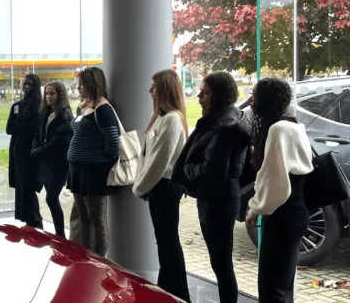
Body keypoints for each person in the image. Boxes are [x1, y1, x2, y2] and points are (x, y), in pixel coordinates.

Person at [171, 71, 251, 303]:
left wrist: (186, 169)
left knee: (221, 263)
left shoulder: (224, 127)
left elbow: (212, 172)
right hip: (219, 198)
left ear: (219, 96)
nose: (198, 96)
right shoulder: (229, 119)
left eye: (205, 93)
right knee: (221, 262)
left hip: (217, 202)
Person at [245, 78, 313, 303]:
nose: (251, 99)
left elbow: (274, 182)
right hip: (295, 212)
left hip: (283, 214)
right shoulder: (292, 124)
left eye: (255, 94)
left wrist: (254, 209)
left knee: (272, 287)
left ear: (266, 100)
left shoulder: (278, 129)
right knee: (282, 285)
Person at [132, 69, 191, 302]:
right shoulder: (161, 118)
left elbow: (159, 160)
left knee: (168, 241)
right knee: (164, 241)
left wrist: (140, 188)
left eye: (154, 87)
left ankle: (176, 292)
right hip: (158, 187)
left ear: (165, 89)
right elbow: (148, 156)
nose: (150, 91)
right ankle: (169, 289)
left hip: (165, 187)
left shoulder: (172, 119)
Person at [67, 67, 121, 255]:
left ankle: (99, 259)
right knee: (82, 217)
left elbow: (114, 143)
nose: (79, 87)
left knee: (96, 218)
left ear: (93, 84)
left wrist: (97, 160)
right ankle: (85, 255)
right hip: (77, 171)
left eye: (82, 84)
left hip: (94, 173)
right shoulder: (82, 106)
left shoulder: (103, 109)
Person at [31, 81, 73, 238]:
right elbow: (39, 134)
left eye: (52, 93)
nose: (48, 97)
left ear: (60, 95)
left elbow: (60, 142)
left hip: (58, 164)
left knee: (51, 198)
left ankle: (60, 235)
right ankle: (59, 234)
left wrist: (38, 151)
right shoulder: (46, 113)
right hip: (46, 163)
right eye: (47, 93)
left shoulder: (65, 114)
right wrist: (35, 148)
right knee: (50, 198)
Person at [6, 73, 43, 228]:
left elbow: (35, 130)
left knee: (28, 186)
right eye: (24, 84)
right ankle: (25, 220)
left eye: (29, 85)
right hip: (18, 150)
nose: (26, 87)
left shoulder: (40, 107)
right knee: (20, 185)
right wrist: (22, 127)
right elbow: (9, 129)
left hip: (31, 152)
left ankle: (35, 221)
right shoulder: (17, 106)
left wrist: (20, 127)